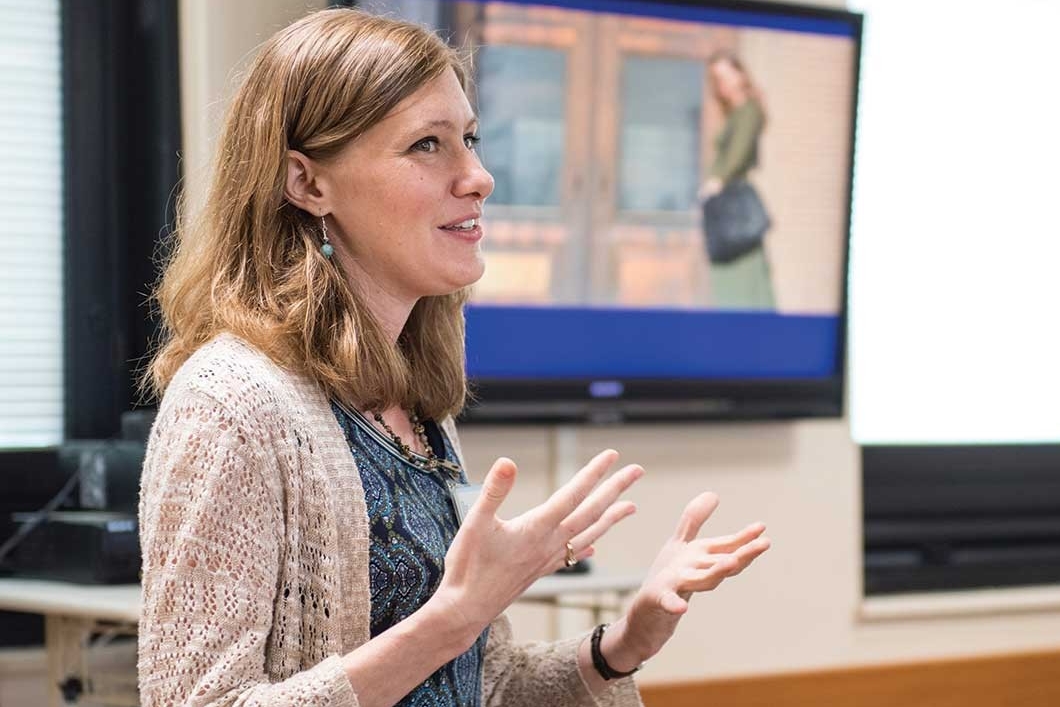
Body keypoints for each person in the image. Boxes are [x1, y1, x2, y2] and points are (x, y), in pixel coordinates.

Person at [137, 9, 771, 707]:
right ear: (307, 183)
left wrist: (622, 644)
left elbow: (482, 683)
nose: (478, 177)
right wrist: (456, 617)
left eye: (469, 138)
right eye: (427, 146)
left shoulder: (412, 407)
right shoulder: (229, 403)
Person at [698, 51, 775, 310]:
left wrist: (717, 181)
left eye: (728, 74)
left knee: (743, 277)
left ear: (740, 74)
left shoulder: (748, 110)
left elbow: (738, 153)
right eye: (718, 78)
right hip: (722, 200)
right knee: (727, 278)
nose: (725, 83)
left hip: (732, 202)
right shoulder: (734, 112)